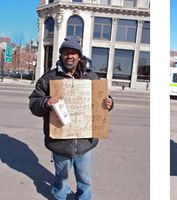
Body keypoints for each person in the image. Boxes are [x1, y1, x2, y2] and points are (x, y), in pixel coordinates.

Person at [29, 36, 114, 200]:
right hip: (60, 143)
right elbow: (33, 103)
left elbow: (103, 99)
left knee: (85, 180)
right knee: (61, 180)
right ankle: (60, 196)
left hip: (85, 142)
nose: (70, 56)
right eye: (66, 53)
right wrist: (45, 102)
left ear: (79, 56)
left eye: (73, 53)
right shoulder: (49, 79)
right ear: (61, 55)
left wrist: (110, 103)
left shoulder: (91, 77)